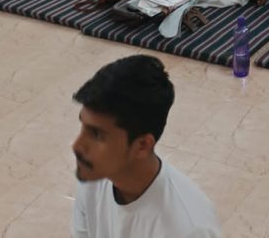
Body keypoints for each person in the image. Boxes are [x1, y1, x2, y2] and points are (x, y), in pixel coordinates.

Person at [71, 55, 220, 238]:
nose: (77, 146)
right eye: (83, 126)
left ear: (142, 145)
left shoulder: (189, 229)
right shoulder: (93, 178)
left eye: (97, 134)